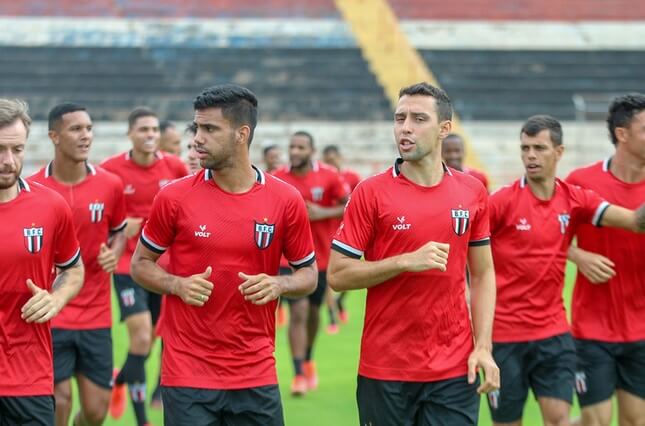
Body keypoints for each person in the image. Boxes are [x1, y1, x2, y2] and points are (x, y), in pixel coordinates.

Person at [129, 84, 317, 426]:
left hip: (255, 370)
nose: (197, 138)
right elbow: (140, 264)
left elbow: (309, 275)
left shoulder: (284, 199)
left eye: (210, 129)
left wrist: (278, 285)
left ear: (241, 134)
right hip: (187, 373)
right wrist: (177, 285)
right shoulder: (173, 197)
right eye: (197, 128)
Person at [327, 82, 499, 425]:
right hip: (386, 369)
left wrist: (483, 346)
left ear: (444, 129)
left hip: (454, 368)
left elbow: (482, 274)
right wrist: (405, 261)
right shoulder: (370, 193)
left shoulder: (471, 192)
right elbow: (337, 275)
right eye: (399, 118)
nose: (405, 127)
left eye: (418, 118)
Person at [486, 115, 645, 426]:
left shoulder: (574, 199)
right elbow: (468, 246)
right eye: (525, 148)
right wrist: (466, 289)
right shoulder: (501, 202)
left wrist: (576, 253)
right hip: (504, 336)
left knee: (560, 421)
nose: (530, 156)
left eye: (539, 148)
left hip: (553, 335)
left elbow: (635, 222)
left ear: (558, 152)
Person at [29, 103, 127, 426]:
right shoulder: (33, 188)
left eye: (89, 128)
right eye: (76, 129)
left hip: (97, 312)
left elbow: (120, 231)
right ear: (54, 136)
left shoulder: (111, 185)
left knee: (96, 412)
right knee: (59, 402)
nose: (86, 135)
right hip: (53, 312)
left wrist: (114, 252)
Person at [101, 107, 188, 425]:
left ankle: (120, 381)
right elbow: (101, 216)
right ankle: (142, 419)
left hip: (163, 268)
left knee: (152, 340)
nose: (150, 135)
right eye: (143, 130)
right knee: (140, 339)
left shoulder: (175, 167)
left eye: (154, 129)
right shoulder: (111, 170)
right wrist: (120, 227)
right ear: (130, 134)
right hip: (127, 266)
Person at [0, 98, 84, 425]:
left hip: (30, 377)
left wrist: (57, 297)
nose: (8, 161)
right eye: (0, 150)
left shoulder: (51, 206)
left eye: (17, 150)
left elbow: (74, 269)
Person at [566, 94, 645, 426]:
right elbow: (546, 235)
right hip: (592, 328)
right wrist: (577, 254)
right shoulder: (582, 182)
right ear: (623, 134)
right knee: (594, 421)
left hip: (641, 330)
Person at [273, 132, 348, 395]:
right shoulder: (278, 177)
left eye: (300, 147)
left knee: (313, 314)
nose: (294, 151)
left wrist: (321, 213)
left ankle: (308, 359)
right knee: (299, 312)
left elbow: (348, 206)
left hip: (321, 258)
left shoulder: (328, 175)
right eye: (292, 146)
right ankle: (297, 374)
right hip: (287, 259)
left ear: (311, 150)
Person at [321, 144, 361, 331]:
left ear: (340, 158)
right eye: (327, 160)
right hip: (329, 232)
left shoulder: (352, 177)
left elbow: (357, 203)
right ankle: (331, 318)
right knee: (331, 277)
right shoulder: (324, 179)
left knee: (350, 274)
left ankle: (341, 302)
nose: (331, 163)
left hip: (350, 233)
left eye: (334, 159)